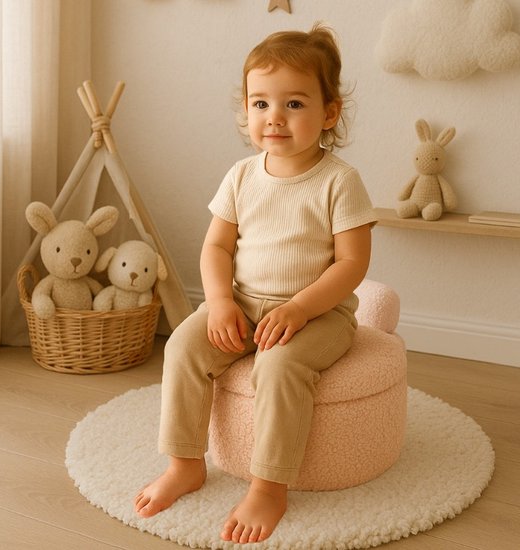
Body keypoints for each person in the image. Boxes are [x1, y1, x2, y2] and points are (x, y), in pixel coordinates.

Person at [134, 23, 377, 544]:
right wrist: (220, 301)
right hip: (243, 302)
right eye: (261, 103)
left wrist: (300, 309)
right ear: (245, 110)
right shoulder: (242, 175)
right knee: (182, 347)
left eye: (294, 104)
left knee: (279, 365)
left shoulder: (340, 181)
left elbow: (352, 264)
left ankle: (268, 487)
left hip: (318, 313)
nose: (274, 117)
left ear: (329, 113)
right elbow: (217, 248)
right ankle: (184, 464)